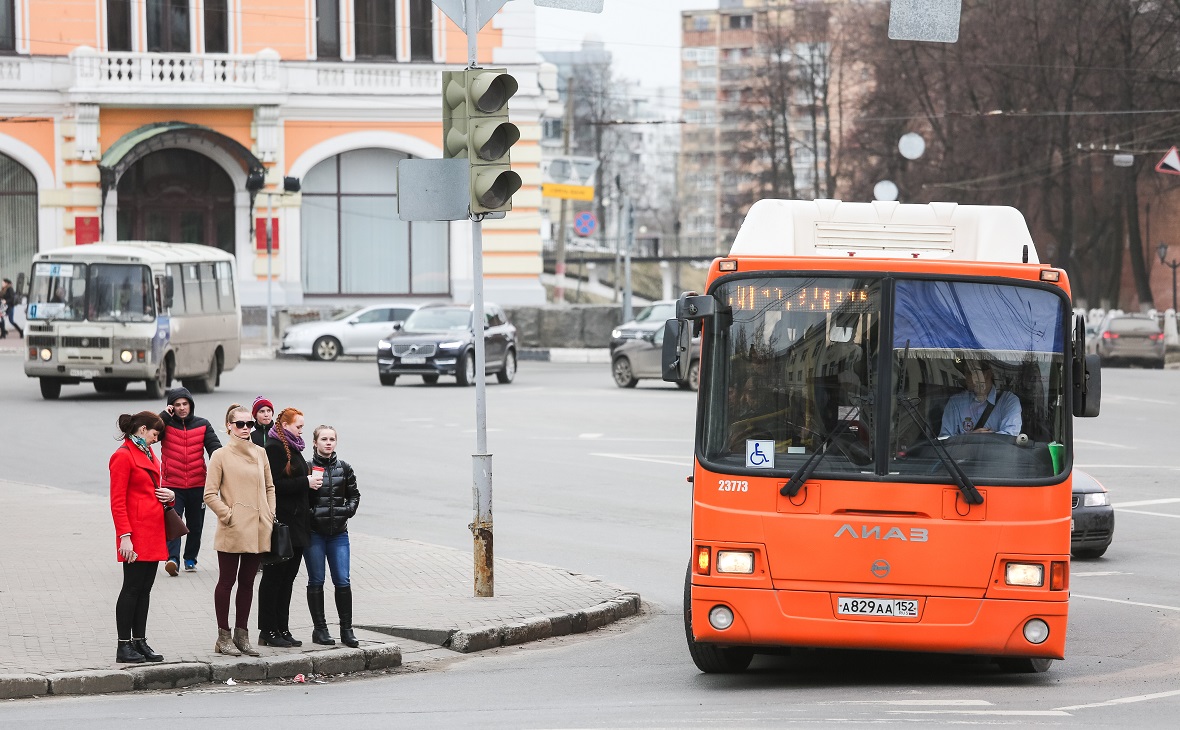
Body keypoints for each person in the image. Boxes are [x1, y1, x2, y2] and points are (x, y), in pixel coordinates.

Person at [204, 404, 275, 657]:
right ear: (229, 426)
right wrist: (228, 515)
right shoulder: (220, 455)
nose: (246, 429)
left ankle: (242, 635)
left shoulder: (260, 453)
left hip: (257, 526)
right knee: (227, 581)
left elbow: (270, 486)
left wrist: (269, 513)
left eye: (250, 424)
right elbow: (210, 494)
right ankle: (223, 637)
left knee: (247, 583)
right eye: (240, 424)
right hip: (233, 527)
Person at [109, 411, 174, 663]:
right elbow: (117, 501)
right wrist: (124, 536)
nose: (156, 440)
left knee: (145, 589)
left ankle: (140, 641)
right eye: (155, 435)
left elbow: (153, 489)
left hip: (153, 529)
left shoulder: (148, 453)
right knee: (132, 588)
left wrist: (170, 496)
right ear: (143, 429)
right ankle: (123, 646)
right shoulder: (122, 456)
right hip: (135, 532)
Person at [258, 407, 319, 648]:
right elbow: (274, 485)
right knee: (274, 578)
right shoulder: (273, 447)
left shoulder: (294, 447)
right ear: (285, 426)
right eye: (298, 426)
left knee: (288, 579)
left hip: (298, 524)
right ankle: (267, 630)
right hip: (282, 524)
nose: (302, 430)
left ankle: (282, 628)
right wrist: (305, 481)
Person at [305, 425, 361, 648]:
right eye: (324, 439)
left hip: (339, 534)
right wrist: (312, 516)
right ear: (315, 443)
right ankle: (320, 630)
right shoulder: (307, 467)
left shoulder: (344, 468)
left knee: (342, 580)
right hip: (315, 534)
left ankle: (347, 630)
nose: (328, 443)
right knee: (316, 580)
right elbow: (302, 499)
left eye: (332, 439)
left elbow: (354, 495)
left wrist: (347, 511)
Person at [159, 387, 222, 576]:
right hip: (172, 486)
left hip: (197, 485)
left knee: (195, 525)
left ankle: (190, 558)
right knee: (173, 522)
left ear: (190, 404)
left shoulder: (203, 424)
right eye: (177, 405)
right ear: (172, 407)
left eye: (185, 404)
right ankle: (173, 560)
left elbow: (216, 450)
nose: (181, 408)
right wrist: (164, 415)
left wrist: (221, 471)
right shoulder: (166, 426)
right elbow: (151, 430)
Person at [939, 361, 1022, 437]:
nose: (966, 377)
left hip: (997, 453)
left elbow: (1009, 437)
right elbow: (945, 440)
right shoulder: (956, 402)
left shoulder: (1008, 401)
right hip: (962, 454)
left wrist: (977, 439)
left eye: (971, 372)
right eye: (966, 372)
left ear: (988, 374)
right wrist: (970, 437)